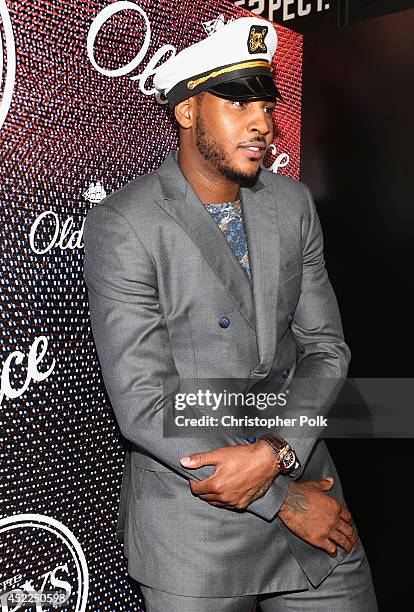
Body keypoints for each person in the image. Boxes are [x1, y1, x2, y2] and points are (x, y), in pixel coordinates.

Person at [83, 16, 378, 612]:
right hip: (196, 530)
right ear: (187, 112)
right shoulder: (125, 223)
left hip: (313, 507)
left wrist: (279, 455)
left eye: (266, 105)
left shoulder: (291, 204)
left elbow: (326, 348)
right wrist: (283, 499)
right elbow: (144, 400)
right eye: (237, 102)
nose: (262, 124)